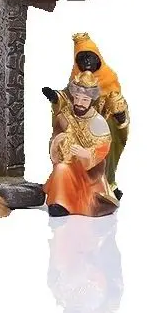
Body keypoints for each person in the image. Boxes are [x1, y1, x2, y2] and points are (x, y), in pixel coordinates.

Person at [43, 33, 129, 200]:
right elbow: (66, 99)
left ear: (98, 58)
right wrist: (56, 98)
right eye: (82, 58)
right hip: (78, 128)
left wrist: (119, 116)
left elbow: (117, 103)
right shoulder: (76, 79)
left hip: (100, 128)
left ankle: (108, 185)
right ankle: (70, 187)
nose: (86, 62)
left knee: (104, 152)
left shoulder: (109, 79)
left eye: (90, 57)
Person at [43, 71, 119, 218]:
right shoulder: (66, 115)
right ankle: (60, 204)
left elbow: (104, 147)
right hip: (69, 163)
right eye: (77, 98)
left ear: (91, 100)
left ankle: (80, 203)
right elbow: (56, 133)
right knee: (61, 168)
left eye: (84, 99)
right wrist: (57, 143)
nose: (79, 103)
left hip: (89, 173)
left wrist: (87, 154)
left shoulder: (98, 122)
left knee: (91, 198)